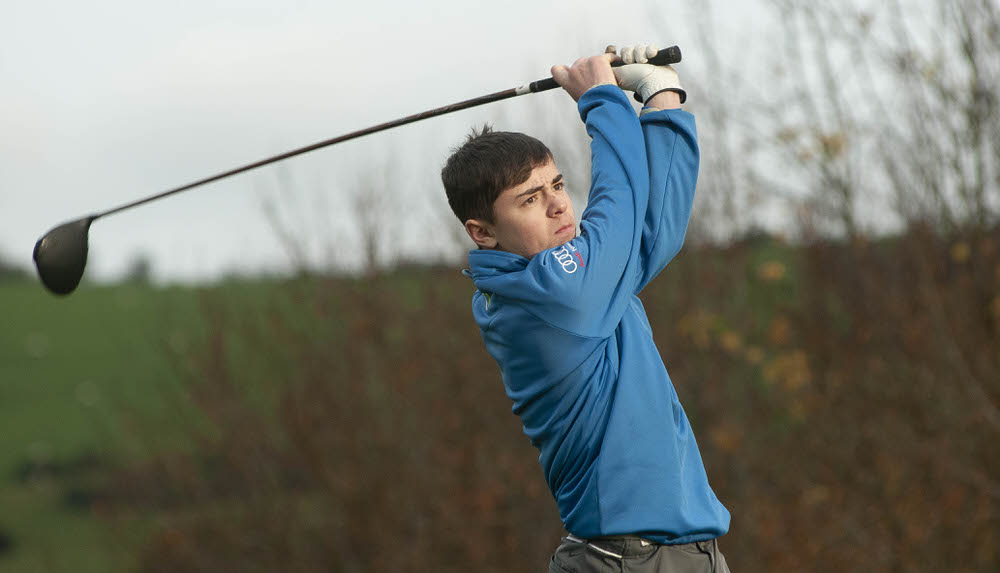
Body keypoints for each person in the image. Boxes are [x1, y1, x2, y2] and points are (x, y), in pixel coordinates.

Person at [441, 44, 731, 573]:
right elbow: (616, 218)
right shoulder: (538, 299)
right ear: (482, 233)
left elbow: (650, 229)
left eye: (556, 185)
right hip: (622, 561)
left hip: (691, 554)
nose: (557, 204)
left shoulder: (588, 282)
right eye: (529, 200)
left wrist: (660, 99)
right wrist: (602, 102)